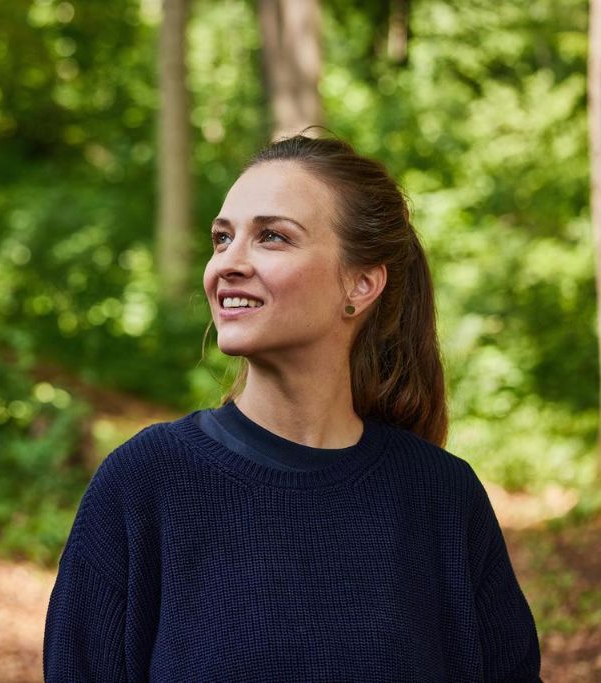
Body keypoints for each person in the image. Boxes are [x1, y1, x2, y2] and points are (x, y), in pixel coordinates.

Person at [42, 133, 542, 682]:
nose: (228, 263)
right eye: (221, 238)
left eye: (272, 237)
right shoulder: (144, 484)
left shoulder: (441, 497)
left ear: (362, 282)